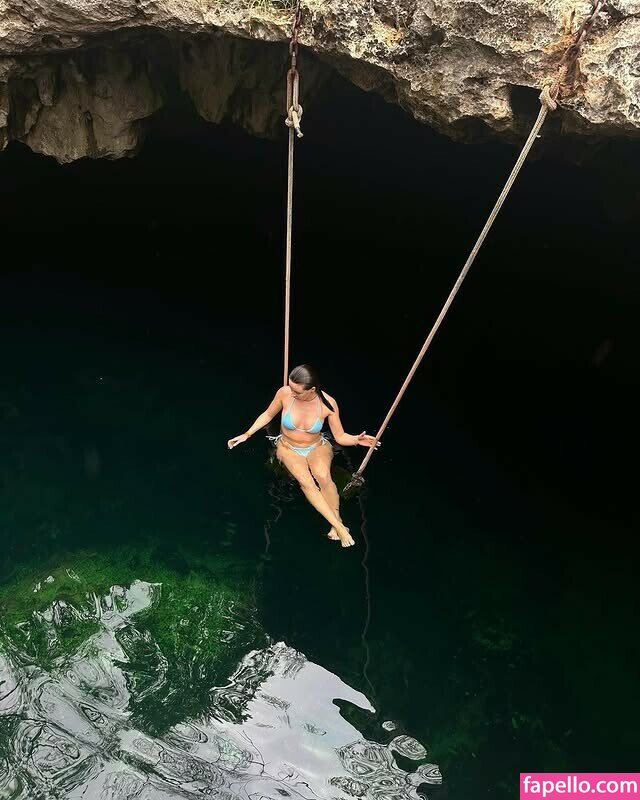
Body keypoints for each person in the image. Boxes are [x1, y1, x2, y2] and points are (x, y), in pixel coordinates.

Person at [227, 364, 380, 548]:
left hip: (316, 446)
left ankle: (336, 522)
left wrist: (357, 439)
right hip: (288, 447)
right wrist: (247, 434)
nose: (292, 393)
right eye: (291, 388)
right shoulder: (284, 393)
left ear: (312, 390)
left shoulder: (328, 403)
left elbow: (340, 436)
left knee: (323, 477)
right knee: (306, 482)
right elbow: (267, 415)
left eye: (297, 391)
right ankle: (339, 526)